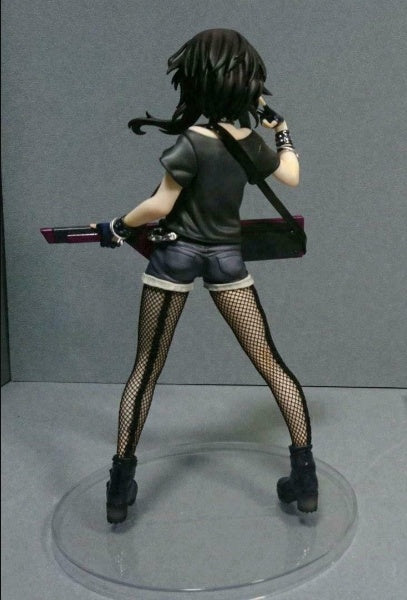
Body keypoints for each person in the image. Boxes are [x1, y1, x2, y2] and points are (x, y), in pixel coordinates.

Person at [92, 29, 318, 524]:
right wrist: (282, 130)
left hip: (175, 256)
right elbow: (292, 176)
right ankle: (306, 479)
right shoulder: (249, 143)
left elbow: (160, 205)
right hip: (226, 259)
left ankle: (119, 486)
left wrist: (118, 226)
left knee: (145, 371)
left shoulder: (192, 142)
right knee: (271, 363)